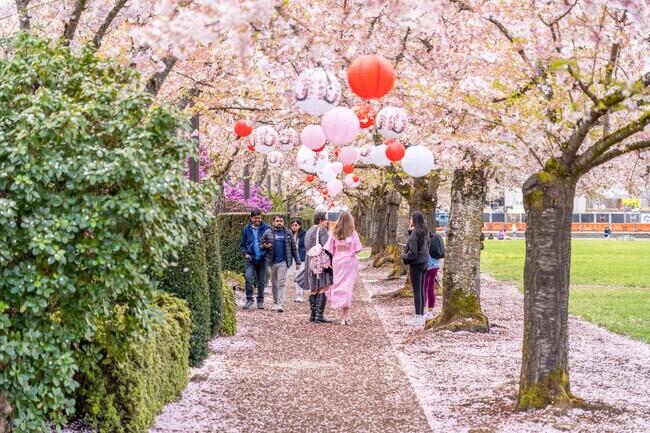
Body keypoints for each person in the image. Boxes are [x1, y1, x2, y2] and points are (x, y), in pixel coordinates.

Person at [324, 212, 362, 325]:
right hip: (349, 260)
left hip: (337, 260)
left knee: (339, 284)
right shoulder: (353, 233)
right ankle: (345, 316)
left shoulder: (335, 233)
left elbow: (329, 249)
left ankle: (344, 313)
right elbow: (358, 249)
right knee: (347, 287)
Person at [261, 214, 301, 313]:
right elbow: (260, 245)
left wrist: (298, 261)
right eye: (277, 221)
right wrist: (265, 246)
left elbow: (293, 249)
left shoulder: (287, 233)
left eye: (281, 221)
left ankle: (280, 303)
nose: (279, 223)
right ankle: (275, 302)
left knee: (281, 283)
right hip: (271, 262)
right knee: (274, 283)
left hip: (283, 262)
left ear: (283, 222)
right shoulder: (268, 232)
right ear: (273, 222)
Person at [300, 211, 333, 323]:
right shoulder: (322, 230)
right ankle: (319, 315)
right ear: (320, 220)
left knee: (314, 287)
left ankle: (313, 314)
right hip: (320, 261)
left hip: (310, 261)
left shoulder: (309, 230)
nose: (326, 221)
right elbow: (327, 246)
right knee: (324, 286)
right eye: (325, 219)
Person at [402, 211, 430, 326]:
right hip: (424, 262)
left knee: (417, 291)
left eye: (411, 219)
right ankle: (421, 315)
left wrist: (405, 257)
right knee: (422, 290)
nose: (410, 220)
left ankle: (418, 316)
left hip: (416, 264)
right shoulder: (424, 232)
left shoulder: (415, 234)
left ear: (415, 220)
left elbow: (413, 252)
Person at [241, 208, 271, 310]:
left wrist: (267, 248)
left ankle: (260, 301)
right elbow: (243, 244)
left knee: (261, 280)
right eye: (255, 218)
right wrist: (245, 253)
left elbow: (271, 242)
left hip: (262, 258)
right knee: (248, 278)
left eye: (259, 218)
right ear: (251, 218)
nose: (257, 220)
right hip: (250, 259)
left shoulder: (267, 228)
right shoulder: (246, 229)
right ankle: (249, 300)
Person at [423, 226, 445, 320]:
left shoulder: (424, 241)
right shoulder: (434, 238)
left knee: (424, 289)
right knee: (431, 289)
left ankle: (420, 312)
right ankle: (430, 312)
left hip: (427, 266)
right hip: (435, 265)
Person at [290, 218, 307, 302]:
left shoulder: (304, 234)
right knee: (295, 275)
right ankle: (299, 294)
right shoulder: (289, 234)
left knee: (298, 276)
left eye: (296, 225)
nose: (294, 226)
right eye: (292, 225)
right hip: (292, 257)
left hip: (301, 257)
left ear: (300, 226)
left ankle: (299, 295)